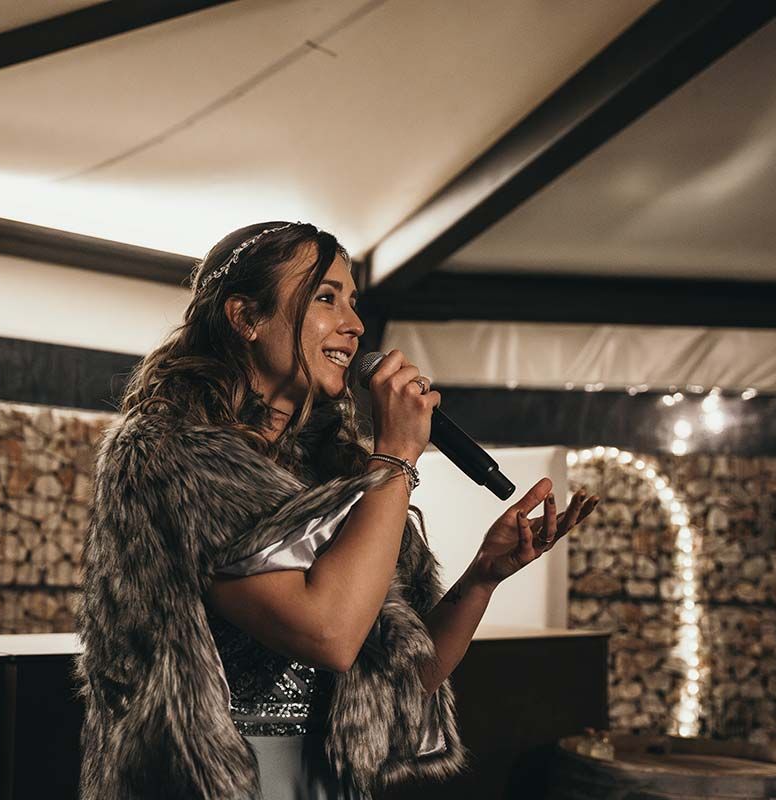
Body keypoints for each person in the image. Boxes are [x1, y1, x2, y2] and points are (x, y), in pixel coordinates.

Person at [73, 221, 600, 800]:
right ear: (246, 317)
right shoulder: (168, 457)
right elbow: (328, 633)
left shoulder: (338, 471)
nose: (354, 326)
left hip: (327, 782)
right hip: (215, 780)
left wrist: (482, 577)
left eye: (353, 302)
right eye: (325, 297)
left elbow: (406, 674)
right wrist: (396, 456)